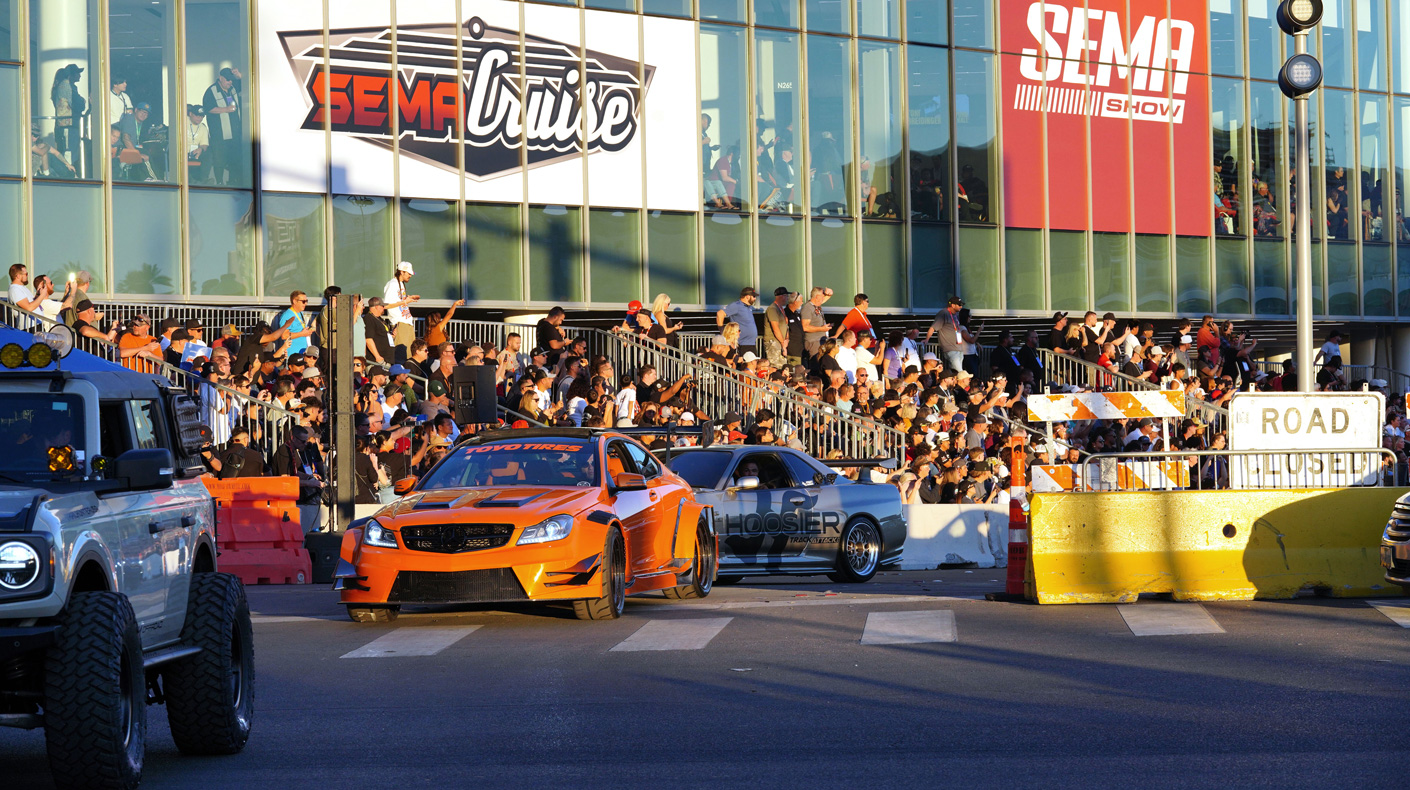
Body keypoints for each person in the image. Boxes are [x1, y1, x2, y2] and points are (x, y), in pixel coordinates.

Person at [202, 67, 245, 184]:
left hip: (235, 133)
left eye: (231, 80)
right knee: (219, 159)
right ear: (220, 78)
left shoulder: (233, 87)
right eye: (227, 80)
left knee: (234, 158)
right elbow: (208, 108)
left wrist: (239, 75)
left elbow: (248, 84)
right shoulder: (211, 91)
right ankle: (219, 182)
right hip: (219, 134)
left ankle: (232, 181)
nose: (230, 82)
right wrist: (225, 109)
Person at [382, 261, 420, 359]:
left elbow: (398, 302)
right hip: (400, 323)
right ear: (401, 272)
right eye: (408, 273)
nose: (410, 275)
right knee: (402, 357)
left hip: (406, 323)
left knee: (410, 355)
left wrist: (408, 299)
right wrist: (405, 302)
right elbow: (386, 305)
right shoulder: (392, 284)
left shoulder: (401, 284)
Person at [926, 296, 967, 372]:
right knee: (960, 373)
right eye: (959, 305)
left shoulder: (955, 315)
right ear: (953, 305)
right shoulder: (943, 313)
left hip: (959, 349)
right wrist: (926, 340)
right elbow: (933, 328)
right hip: (950, 349)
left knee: (955, 373)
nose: (961, 307)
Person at [272, 291, 316, 356]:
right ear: (294, 301)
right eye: (303, 301)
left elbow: (298, 330)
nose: (305, 304)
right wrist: (302, 334)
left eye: (306, 301)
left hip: (302, 352)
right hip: (293, 354)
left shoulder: (300, 313)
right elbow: (284, 335)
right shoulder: (287, 315)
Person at [716, 287, 760, 351]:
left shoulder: (748, 307)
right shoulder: (736, 305)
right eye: (753, 296)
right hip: (742, 344)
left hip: (750, 344)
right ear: (747, 296)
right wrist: (723, 332)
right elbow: (720, 313)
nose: (755, 298)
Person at [799, 286, 833, 357]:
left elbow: (827, 297)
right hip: (813, 342)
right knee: (816, 361)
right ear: (817, 297)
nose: (824, 297)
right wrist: (822, 329)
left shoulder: (816, 306)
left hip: (821, 340)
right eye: (822, 295)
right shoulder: (808, 308)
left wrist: (829, 293)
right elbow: (805, 327)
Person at [362, 297, 394, 365]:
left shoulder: (379, 319)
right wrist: (377, 357)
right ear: (376, 306)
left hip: (387, 359)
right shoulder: (369, 319)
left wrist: (391, 336)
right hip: (377, 361)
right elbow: (368, 339)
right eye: (382, 306)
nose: (384, 308)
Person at [185, 104, 211, 183]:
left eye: (201, 116)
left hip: (195, 152)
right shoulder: (183, 121)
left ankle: (204, 180)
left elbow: (204, 144)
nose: (199, 118)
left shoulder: (203, 127)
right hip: (183, 152)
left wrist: (201, 149)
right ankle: (189, 180)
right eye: (197, 115)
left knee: (208, 154)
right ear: (190, 114)